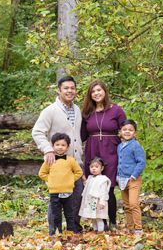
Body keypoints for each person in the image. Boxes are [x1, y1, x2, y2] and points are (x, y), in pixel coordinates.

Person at [32, 76, 85, 233]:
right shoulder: (50, 111)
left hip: (75, 161)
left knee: (77, 197)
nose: (70, 91)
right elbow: (37, 132)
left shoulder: (77, 110)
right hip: (58, 163)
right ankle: (54, 229)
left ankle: (73, 227)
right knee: (56, 199)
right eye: (66, 88)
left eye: (72, 88)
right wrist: (48, 149)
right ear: (59, 90)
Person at [80, 79, 126, 230]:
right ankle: (100, 222)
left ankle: (112, 221)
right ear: (90, 95)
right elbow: (81, 135)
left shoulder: (116, 110)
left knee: (108, 187)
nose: (96, 93)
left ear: (105, 91)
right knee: (94, 186)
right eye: (93, 91)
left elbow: (127, 131)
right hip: (93, 151)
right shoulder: (87, 113)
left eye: (99, 90)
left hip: (111, 150)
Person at [38, 133, 83, 235]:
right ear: (53, 146)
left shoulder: (71, 160)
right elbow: (42, 173)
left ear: (67, 147)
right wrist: (51, 180)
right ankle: (56, 232)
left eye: (63, 145)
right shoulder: (49, 160)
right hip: (54, 192)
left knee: (69, 213)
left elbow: (79, 172)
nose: (60, 147)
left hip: (68, 192)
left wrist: (71, 180)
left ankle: (71, 232)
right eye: (57, 145)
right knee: (56, 214)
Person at [117, 119, 146, 234]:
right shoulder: (119, 146)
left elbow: (141, 162)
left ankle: (138, 228)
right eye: (124, 129)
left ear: (135, 132)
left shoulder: (135, 146)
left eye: (130, 130)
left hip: (133, 179)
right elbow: (119, 161)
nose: (127, 132)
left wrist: (134, 175)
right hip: (122, 179)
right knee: (127, 205)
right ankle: (130, 227)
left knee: (133, 203)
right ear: (120, 131)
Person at [79, 157, 111, 232]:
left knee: (99, 218)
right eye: (92, 167)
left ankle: (100, 232)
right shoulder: (90, 178)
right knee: (93, 218)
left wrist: (102, 202)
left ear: (102, 168)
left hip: (98, 202)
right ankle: (95, 231)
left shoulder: (103, 179)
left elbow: (104, 192)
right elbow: (87, 187)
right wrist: (84, 180)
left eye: (96, 167)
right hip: (91, 202)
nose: (94, 169)